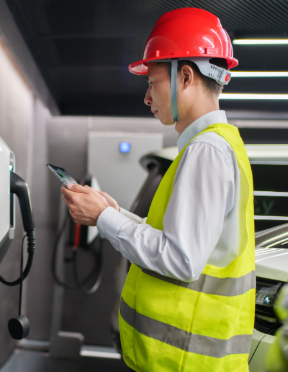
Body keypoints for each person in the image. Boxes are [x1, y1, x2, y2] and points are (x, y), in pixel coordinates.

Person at [61, 8, 255, 372]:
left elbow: (180, 259)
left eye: (152, 83)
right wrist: (114, 212)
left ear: (184, 76)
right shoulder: (213, 147)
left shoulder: (206, 151)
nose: (147, 97)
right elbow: (184, 243)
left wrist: (103, 219)